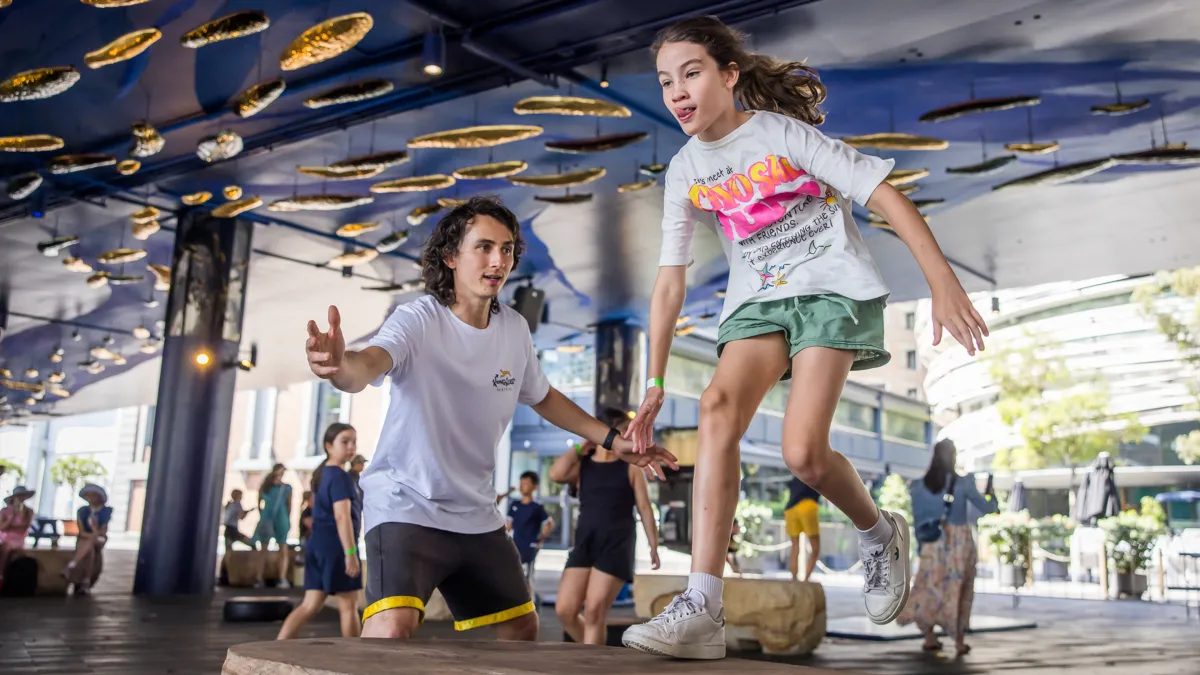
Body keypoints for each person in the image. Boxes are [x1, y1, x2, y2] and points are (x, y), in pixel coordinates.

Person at [620, 16, 989, 660]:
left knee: (803, 455)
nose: (677, 92)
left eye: (692, 73)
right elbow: (668, 285)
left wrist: (942, 283)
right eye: (665, 81)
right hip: (758, 300)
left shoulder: (781, 135)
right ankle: (702, 605)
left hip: (829, 289)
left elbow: (886, 197)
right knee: (713, 409)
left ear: (729, 76)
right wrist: (653, 384)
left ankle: (878, 533)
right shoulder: (683, 170)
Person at [302, 196, 677, 642]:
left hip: (475, 514)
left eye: (507, 249)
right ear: (450, 256)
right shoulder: (419, 319)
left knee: (521, 626)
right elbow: (366, 366)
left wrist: (615, 442)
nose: (499, 260)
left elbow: (545, 398)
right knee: (391, 626)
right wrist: (338, 365)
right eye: (483, 247)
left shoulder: (514, 329)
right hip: (406, 504)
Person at [550, 411, 660, 645]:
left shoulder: (630, 467)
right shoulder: (584, 466)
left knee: (594, 611)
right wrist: (581, 448)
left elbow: (645, 507)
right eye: (625, 429)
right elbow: (555, 474)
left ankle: (591, 666)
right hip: (585, 542)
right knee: (565, 610)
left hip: (616, 544)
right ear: (609, 431)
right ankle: (595, 656)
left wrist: (653, 545)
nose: (629, 435)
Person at [898, 439, 997, 656]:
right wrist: (991, 493)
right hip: (958, 544)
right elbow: (988, 507)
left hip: (931, 543)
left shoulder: (918, 486)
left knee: (928, 586)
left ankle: (929, 637)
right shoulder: (963, 483)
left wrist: (921, 546)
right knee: (957, 589)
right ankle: (959, 641)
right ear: (952, 457)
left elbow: (918, 519)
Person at [278, 423, 363, 640]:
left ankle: (278, 647)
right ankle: (358, 663)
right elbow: (342, 516)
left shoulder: (324, 474)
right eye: (344, 441)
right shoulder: (340, 477)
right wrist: (351, 553)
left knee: (310, 604)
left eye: (353, 441)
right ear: (329, 446)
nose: (351, 446)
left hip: (316, 544)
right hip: (336, 547)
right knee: (348, 605)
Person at [506, 470, 554, 590]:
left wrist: (540, 540)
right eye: (521, 483)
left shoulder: (536, 507)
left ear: (534, 487)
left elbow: (549, 523)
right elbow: (508, 526)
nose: (522, 486)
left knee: (527, 577)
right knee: (512, 575)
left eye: (526, 484)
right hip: (515, 544)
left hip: (529, 546)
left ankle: (531, 603)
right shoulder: (514, 504)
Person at [63, 484, 111, 595]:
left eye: (93, 495)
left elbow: (102, 531)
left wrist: (94, 529)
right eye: (88, 496)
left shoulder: (105, 511)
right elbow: (82, 531)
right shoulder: (83, 511)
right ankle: (86, 581)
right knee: (90, 551)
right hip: (86, 538)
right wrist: (92, 535)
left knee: (91, 542)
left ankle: (71, 565)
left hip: (99, 538)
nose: (90, 498)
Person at [785, 477, 821, 582]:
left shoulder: (796, 474)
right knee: (815, 549)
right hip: (807, 506)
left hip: (790, 509)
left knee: (795, 546)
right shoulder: (815, 471)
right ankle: (806, 579)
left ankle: (793, 578)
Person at [252, 463, 293, 551]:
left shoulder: (286, 488)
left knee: (281, 546)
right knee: (265, 545)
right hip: (272, 516)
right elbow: (259, 502)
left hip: (277, 516)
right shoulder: (266, 486)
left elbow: (289, 504)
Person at [0, 485, 36, 583]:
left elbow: (25, 526)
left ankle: (1, 573)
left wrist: (12, 524)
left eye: (23, 496)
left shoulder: (28, 511)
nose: (21, 498)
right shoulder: (5, 511)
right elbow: (2, 527)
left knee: (6, 548)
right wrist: (12, 517)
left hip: (18, 538)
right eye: (19, 496)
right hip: (4, 536)